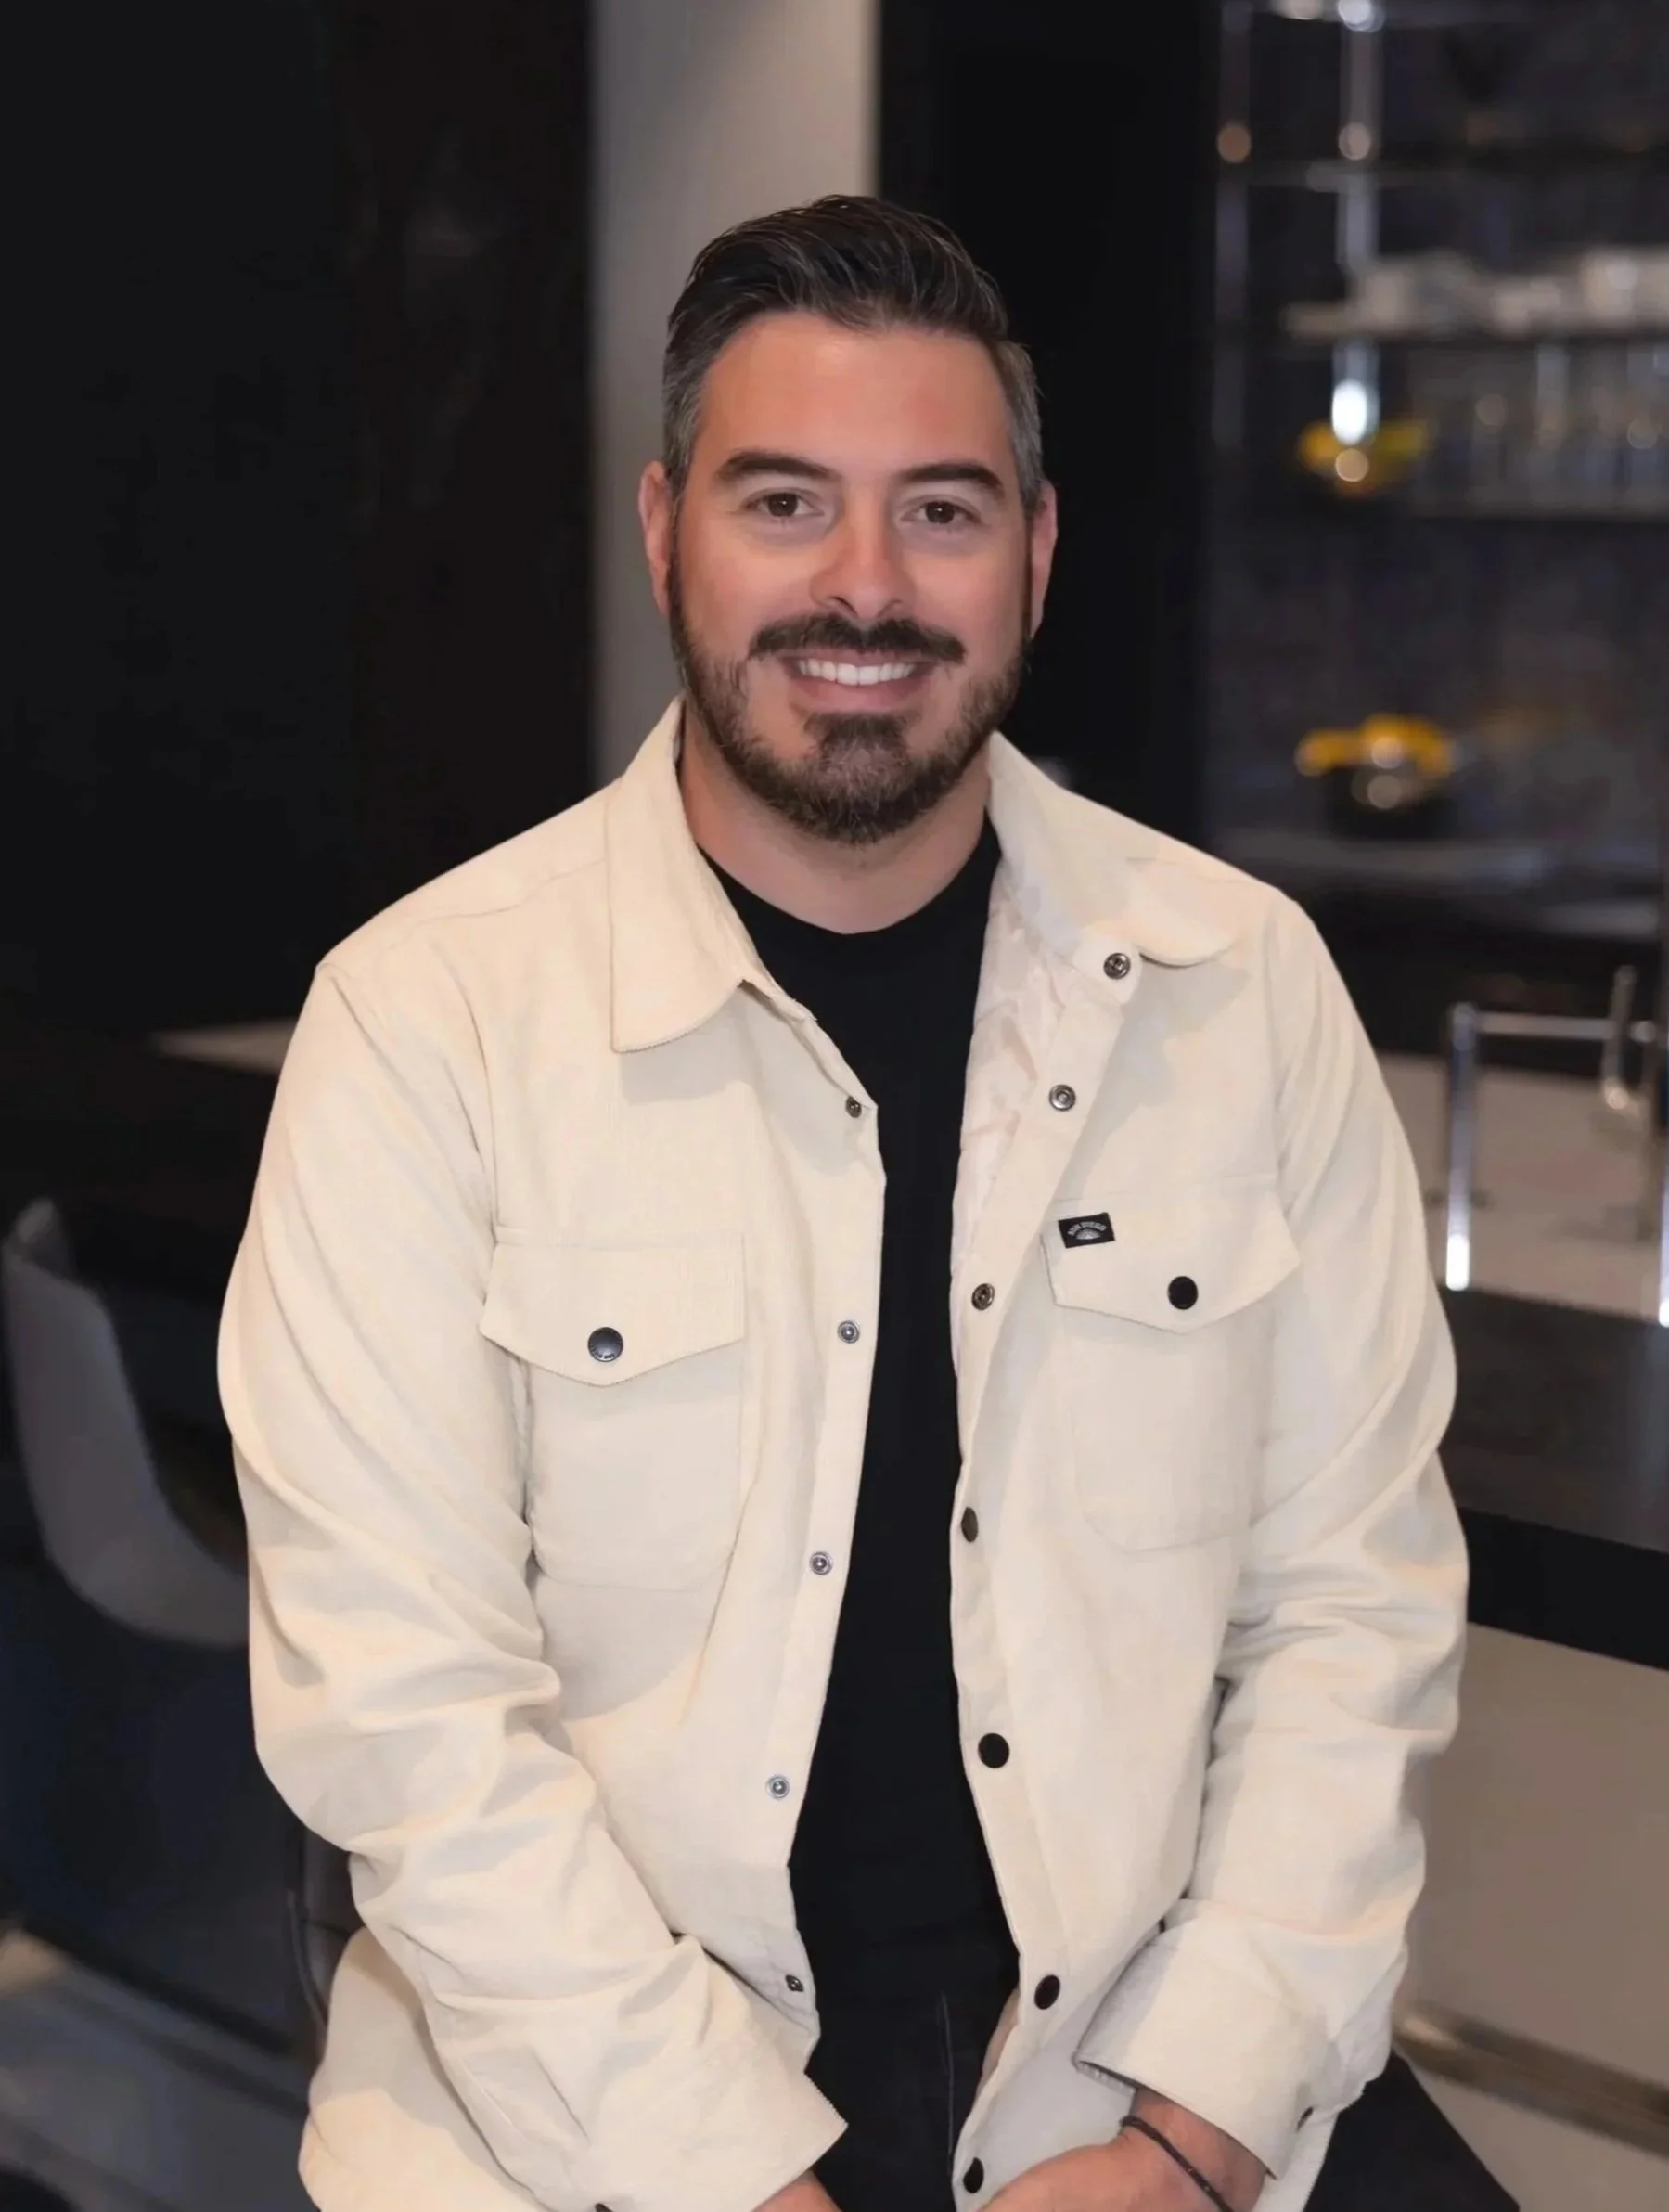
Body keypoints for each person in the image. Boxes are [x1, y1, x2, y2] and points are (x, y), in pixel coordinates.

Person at [221, 197, 1513, 2212]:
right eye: (782, 502)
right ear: (666, 530)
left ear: (1036, 553)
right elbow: (407, 1718)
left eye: (939, 511)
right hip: (588, 2107)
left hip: (1136, 2061)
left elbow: (1349, 1611)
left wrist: (1187, 2139)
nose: (863, 582)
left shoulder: (1238, 984)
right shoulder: (427, 1021)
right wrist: (731, 2176)